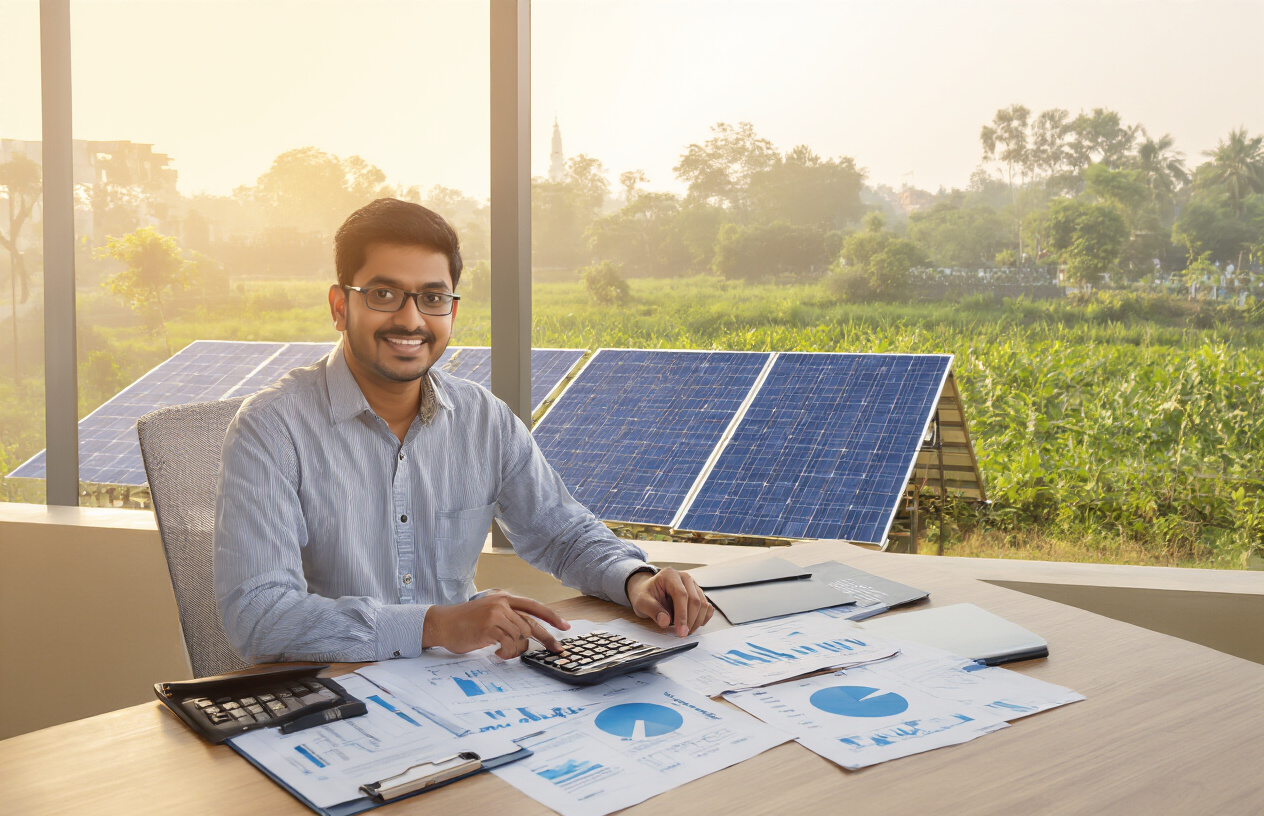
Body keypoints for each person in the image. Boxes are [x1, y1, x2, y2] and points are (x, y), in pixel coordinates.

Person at [214, 198, 712, 665]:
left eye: (432, 298)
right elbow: (259, 616)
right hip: (334, 701)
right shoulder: (271, 428)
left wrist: (636, 580)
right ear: (340, 306)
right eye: (384, 294)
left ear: (451, 311)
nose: (410, 320)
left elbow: (561, 533)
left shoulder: (482, 418)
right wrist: (433, 625)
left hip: (460, 689)